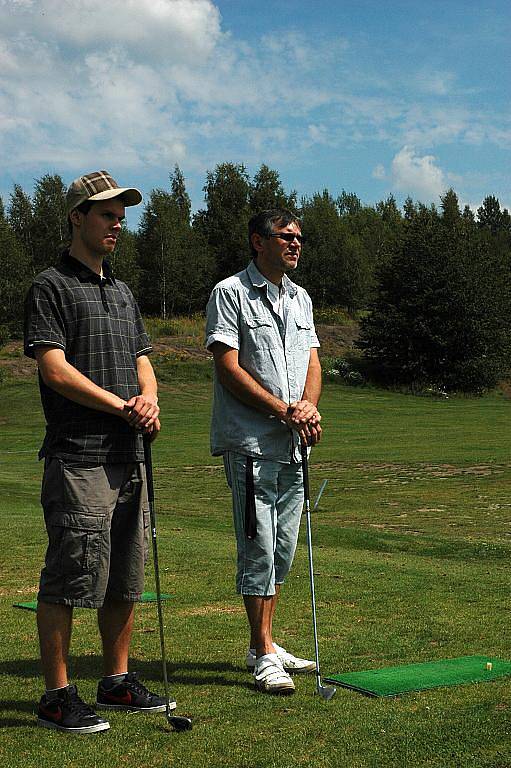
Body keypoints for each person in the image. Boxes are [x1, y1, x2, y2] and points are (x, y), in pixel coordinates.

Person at [24, 170, 171, 734]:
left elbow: (143, 361)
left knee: (125, 576)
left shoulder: (122, 290)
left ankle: (116, 680)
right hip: (79, 455)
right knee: (69, 574)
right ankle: (57, 696)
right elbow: (55, 370)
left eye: (120, 215)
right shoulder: (51, 286)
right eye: (106, 214)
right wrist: (121, 405)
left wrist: (150, 401)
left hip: (129, 452)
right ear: (77, 217)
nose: (117, 224)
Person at [205, 209, 322, 694]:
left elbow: (313, 359)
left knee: (283, 550)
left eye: (299, 237)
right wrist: (283, 409)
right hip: (250, 444)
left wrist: (309, 408)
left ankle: (264, 645)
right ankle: (264, 652)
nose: (295, 244)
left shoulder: (301, 298)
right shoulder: (229, 292)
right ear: (258, 241)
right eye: (285, 236)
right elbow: (228, 367)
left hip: (293, 448)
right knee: (257, 548)